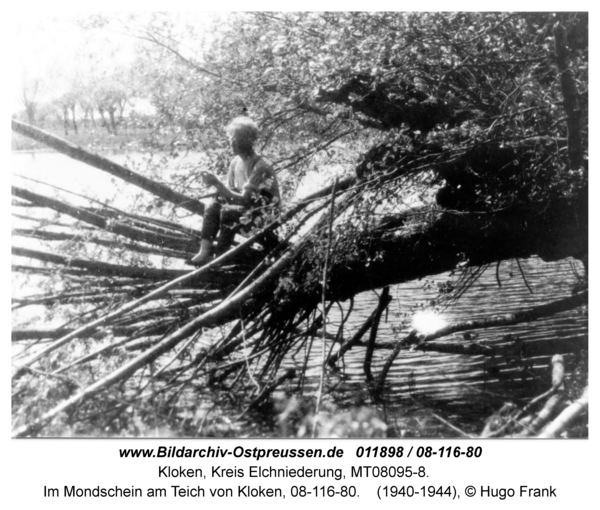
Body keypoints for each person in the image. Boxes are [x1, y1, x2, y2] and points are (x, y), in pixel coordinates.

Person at [189, 116, 280, 266]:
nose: (232, 142)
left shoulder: (260, 165)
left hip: (264, 213)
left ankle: (221, 258)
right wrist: (215, 186)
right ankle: (204, 251)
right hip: (247, 209)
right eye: (231, 137)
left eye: (236, 138)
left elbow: (244, 199)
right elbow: (228, 193)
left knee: (228, 213)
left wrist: (217, 183)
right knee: (212, 205)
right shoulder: (235, 162)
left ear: (248, 140)